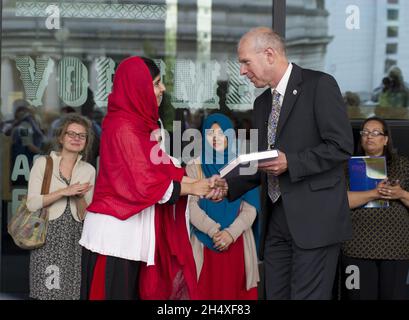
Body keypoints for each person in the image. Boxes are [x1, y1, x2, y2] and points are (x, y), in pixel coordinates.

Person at [216, 27, 354, 300]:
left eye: (245, 62)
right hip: (276, 220)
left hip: (315, 223)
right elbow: (264, 161)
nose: (242, 71)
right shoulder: (262, 103)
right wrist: (226, 184)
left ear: (269, 54)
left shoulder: (319, 85)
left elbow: (341, 146)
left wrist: (291, 162)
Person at [79, 56, 221, 300]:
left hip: (135, 238)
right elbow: (145, 182)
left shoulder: (141, 125)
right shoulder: (123, 126)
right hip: (114, 239)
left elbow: (163, 169)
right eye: (156, 83)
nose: (163, 89)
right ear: (138, 88)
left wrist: (203, 184)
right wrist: (196, 187)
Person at [186, 113, 260, 300]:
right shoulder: (194, 166)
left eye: (222, 133)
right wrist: (214, 231)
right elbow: (190, 206)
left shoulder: (243, 166)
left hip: (237, 243)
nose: (216, 138)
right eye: (211, 133)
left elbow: (251, 208)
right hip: (204, 243)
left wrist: (230, 234)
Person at [26, 114, 96, 300]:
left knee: (70, 291)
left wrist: (80, 197)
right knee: (45, 291)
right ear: (61, 137)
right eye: (71, 133)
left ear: (86, 141)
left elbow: (84, 216)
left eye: (82, 136)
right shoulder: (43, 164)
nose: (76, 139)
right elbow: (32, 203)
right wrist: (65, 191)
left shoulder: (88, 170)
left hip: (74, 237)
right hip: (47, 235)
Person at [341, 116, 409, 300]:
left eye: (375, 133)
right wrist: (375, 193)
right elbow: (340, 202)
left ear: (386, 139)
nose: (369, 136)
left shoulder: (403, 165)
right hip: (356, 247)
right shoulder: (348, 167)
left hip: (396, 248)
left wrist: (401, 194)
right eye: (365, 133)